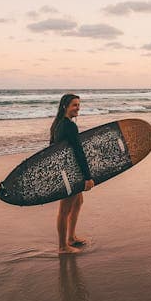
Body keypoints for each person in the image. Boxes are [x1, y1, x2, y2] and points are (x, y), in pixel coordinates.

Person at [50, 93, 94, 254]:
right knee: (64, 210)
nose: (78, 108)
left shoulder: (58, 124)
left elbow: (52, 150)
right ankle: (63, 246)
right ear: (65, 107)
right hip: (69, 172)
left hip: (66, 170)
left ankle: (71, 237)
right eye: (74, 105)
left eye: (78, 104)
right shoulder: (69, 125)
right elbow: (78, 151)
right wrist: (88, 177)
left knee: (78, 202)